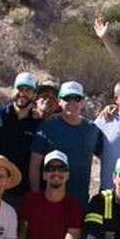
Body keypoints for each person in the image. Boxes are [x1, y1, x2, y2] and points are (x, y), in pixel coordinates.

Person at [29, 81, 103, 210]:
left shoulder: (92, 129)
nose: (72, 103)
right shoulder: (47, 127)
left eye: (77, 98)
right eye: (67, 98)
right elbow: (34, 165)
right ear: (59, 102)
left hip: (80, 202)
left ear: (82, 102)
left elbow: (106, 157)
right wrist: (36, 197)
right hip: (49, 201)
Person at [0, 72, 41, 207]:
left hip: (22, 192)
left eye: (28, 90)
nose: (23, 93)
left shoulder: (37, 123)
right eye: (20, 89)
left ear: (34, 95)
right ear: (13, 90)